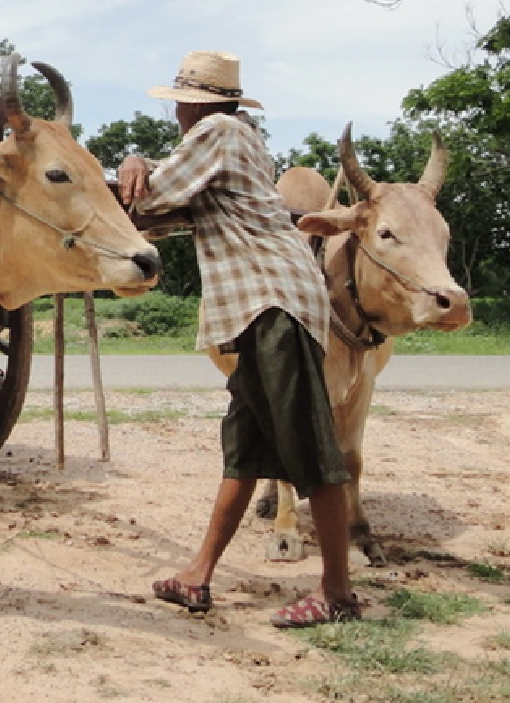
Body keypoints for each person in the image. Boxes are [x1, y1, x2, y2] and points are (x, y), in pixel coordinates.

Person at [117, 50, 360, 628]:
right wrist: (141, 163)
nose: (175, 111)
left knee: (309, 447)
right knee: (245, 449)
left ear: (195, 104)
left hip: (271, 302)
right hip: (256, 309)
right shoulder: (237, 136)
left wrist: (131, 161)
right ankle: (199, 574)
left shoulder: (217, 131)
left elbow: (149, 198)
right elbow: (178, 207)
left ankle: (337, 594)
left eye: (178, 101)